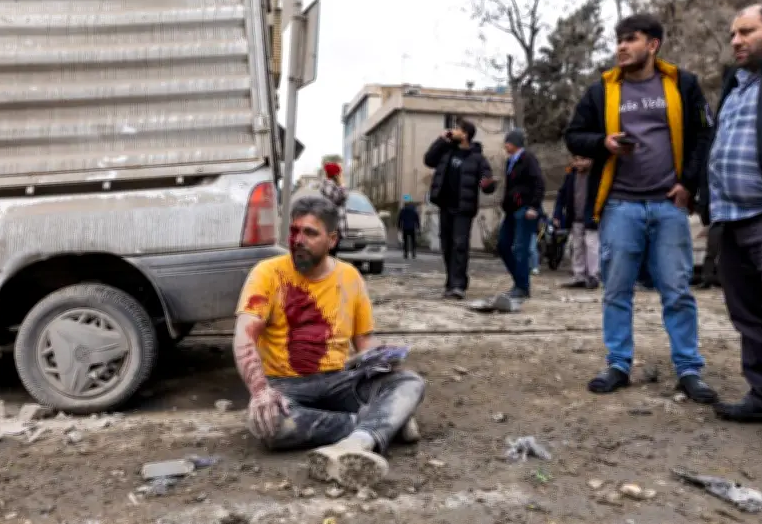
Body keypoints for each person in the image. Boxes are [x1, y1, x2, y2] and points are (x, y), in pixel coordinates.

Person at [564, 13, 717, 402]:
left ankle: (688, 368)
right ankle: (618, 364)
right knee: (616, 290)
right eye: (618, 40)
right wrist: (604, 143)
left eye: (630, 39)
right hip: (620, 206)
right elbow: (574, 136)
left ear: (652, 45)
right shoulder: (601, 90)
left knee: (677, 290)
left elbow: (704, 135)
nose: (620, 46)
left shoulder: (682, 84)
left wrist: (689, 184)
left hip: (668, 206)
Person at [233, 196, 426, 488]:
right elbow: (244, 337)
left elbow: (363, 342)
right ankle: (380, 426)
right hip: (286, 386)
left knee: (409, 382)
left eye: (310, 233)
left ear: (332, 239)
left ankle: (358, 442)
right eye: (295, 231)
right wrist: (260, 391)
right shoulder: (266, 273)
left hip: (339, 381)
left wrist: (382, 358)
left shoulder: (350, 277)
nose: (298, 240)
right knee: (270, 425)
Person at [701, 5, 762, 422]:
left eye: (747, 31)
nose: (736, 41)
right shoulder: (736, 85)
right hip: (730, 217)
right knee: (749, 314)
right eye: (732, 35)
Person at [424, 118, 497, 299]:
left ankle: (458, 286)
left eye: (457, 128)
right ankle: (452, 281)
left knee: (460, 245)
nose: (453, 130)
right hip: (445, 205)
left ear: (465, 134)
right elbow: (428, 160)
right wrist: (442, 139)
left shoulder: (478, 158)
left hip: (463, 208)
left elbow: (487, 181)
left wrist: (487, 184)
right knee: (447, 245)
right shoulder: (447, 151)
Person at [493, 129, 545, 308]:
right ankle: (519, 280)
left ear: (515, 143)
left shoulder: (528, 159)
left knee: (521, 248)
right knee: (503, 244)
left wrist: (534, 206)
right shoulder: (510, 162)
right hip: (511, 210)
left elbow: (538, 182)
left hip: (525, 209)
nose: (505, 145)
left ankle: (522, 286)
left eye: (508, 142)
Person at [553, 156, 600, 289]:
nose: (578, 163)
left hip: (592, 216)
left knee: (591, 244)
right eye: (576, 160)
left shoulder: (595, 176)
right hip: (575, 216)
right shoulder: (570, 175)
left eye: (582, 159)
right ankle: (579, 275)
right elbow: (561, 195)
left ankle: (593, 275)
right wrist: (557, 214)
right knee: (577, 245)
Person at [320, 162, 348, 257]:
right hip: (333, 226)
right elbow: (340, 197)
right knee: (331, 254)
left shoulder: (332, 186)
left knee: (331, 254)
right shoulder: (329, 185)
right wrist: (342, 185)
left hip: (334, 226)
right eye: (339, 173)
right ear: (336, 175)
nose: (341, 175)